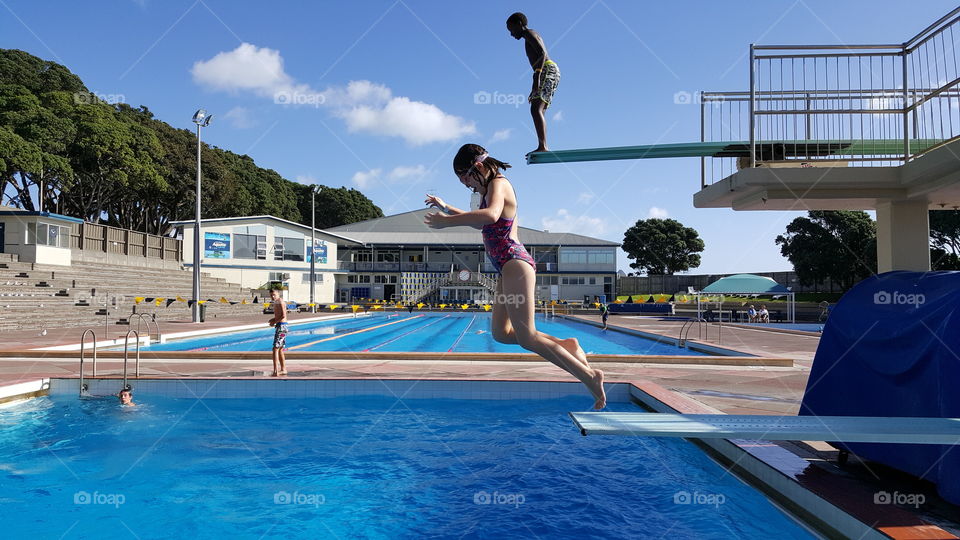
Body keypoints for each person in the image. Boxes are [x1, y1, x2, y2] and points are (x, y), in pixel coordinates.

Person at [424, 144, 606, 409]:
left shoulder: (500, 183)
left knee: (527, 336)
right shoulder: (488, 190)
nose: (466, 185)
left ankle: (590, 376)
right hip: (506, 268)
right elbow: (479, 221)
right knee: (501, 333)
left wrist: (445, 221)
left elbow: (491, 215)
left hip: (515, 263)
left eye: (465, 178)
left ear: (478, 167)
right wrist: (447, 208)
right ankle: (568, 345)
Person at [506, 12, 560, 154]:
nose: (511, 34)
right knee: (537, 108)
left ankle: (543, 146)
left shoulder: (530, 33)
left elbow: (542, 53)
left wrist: (536, 78)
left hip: (547, 69)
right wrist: (534, 83)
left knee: (536, 109)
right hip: (545, 70)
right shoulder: (527, 37)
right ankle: (543, 146)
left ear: (519, 24)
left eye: (511, 29)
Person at [268, 287, 288, 376]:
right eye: (271, 295)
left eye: (274, 295)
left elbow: (284, 315)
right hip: (281, 326)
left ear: (278, 294)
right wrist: (273, 320)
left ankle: (276, 371)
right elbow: (280, 315)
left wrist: (274, 322)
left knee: (275, 349)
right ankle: (283, 369)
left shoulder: (280, 301)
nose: (273, 296)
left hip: (282, 327)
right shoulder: (276, 302)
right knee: (280, 349)